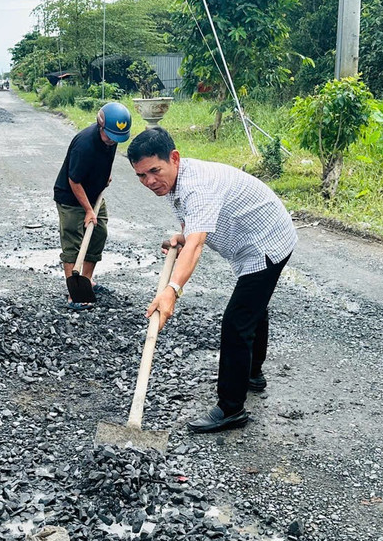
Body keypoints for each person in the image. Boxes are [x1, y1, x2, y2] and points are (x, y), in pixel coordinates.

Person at [126, 126, 298, 433]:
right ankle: (252, 375)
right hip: (256, 240)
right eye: (141, 176)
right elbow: (193, 229)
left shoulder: (196, 185)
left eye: (154, 171)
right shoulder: (175, 182)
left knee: (237, 321)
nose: (149, 181)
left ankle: (231, 408)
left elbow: (196, 244)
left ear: (174, 158)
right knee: (253, 308)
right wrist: (182, 235)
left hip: (267, 242)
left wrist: (172, 290)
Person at [53, 102, 132, 310]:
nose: (112, 142)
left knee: (99, 234)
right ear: (100, 126)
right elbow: (74, 180)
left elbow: (106, 159)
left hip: (94, 194)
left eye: (116, 139)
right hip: (71, 198)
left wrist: (104, 176)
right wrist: (88, 210)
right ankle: (75, 294)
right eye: (110, 137)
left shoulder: (111, 139)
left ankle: (86, 282)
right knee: (73, 242)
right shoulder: (85, 144)